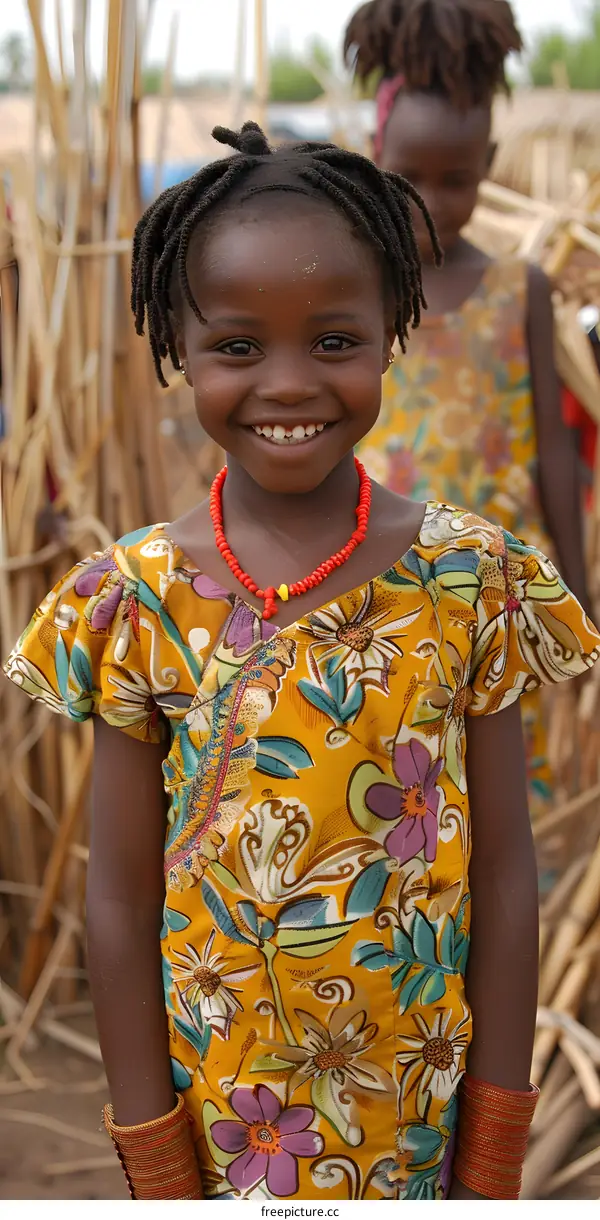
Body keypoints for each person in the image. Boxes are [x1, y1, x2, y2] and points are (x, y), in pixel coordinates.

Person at [5, 122, 599, 1202]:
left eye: (333, 341)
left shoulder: (470, 581)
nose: (287, 384)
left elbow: (507, 874)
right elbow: (121, 900)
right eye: (239, 347)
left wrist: (491, 1158)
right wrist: (157, 1167)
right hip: (224, 1134)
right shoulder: (135, 600)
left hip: (419, 1128)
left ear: (394, 332)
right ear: (177, 349)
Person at [344, 0, 591, 829]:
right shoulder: (358, 294)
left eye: (457, 180)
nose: (432, 202)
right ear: (376, 154)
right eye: (409, 177)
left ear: (488, 163)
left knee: (499, 813)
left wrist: (579, 596)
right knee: (389, 804)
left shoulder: (519, 290)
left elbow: (555, 452)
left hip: (494, 607)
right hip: (376, 609)